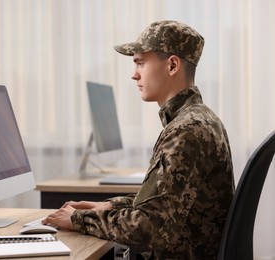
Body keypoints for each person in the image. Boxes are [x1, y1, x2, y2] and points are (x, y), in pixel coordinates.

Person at [42, 20, 235, 259]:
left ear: (172, 65)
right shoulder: (198, 119)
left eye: (140, 63)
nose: (134, 75)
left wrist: (78, 219)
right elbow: (165, 201)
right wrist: (110, 206)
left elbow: (150, 226)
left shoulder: (187, 130)